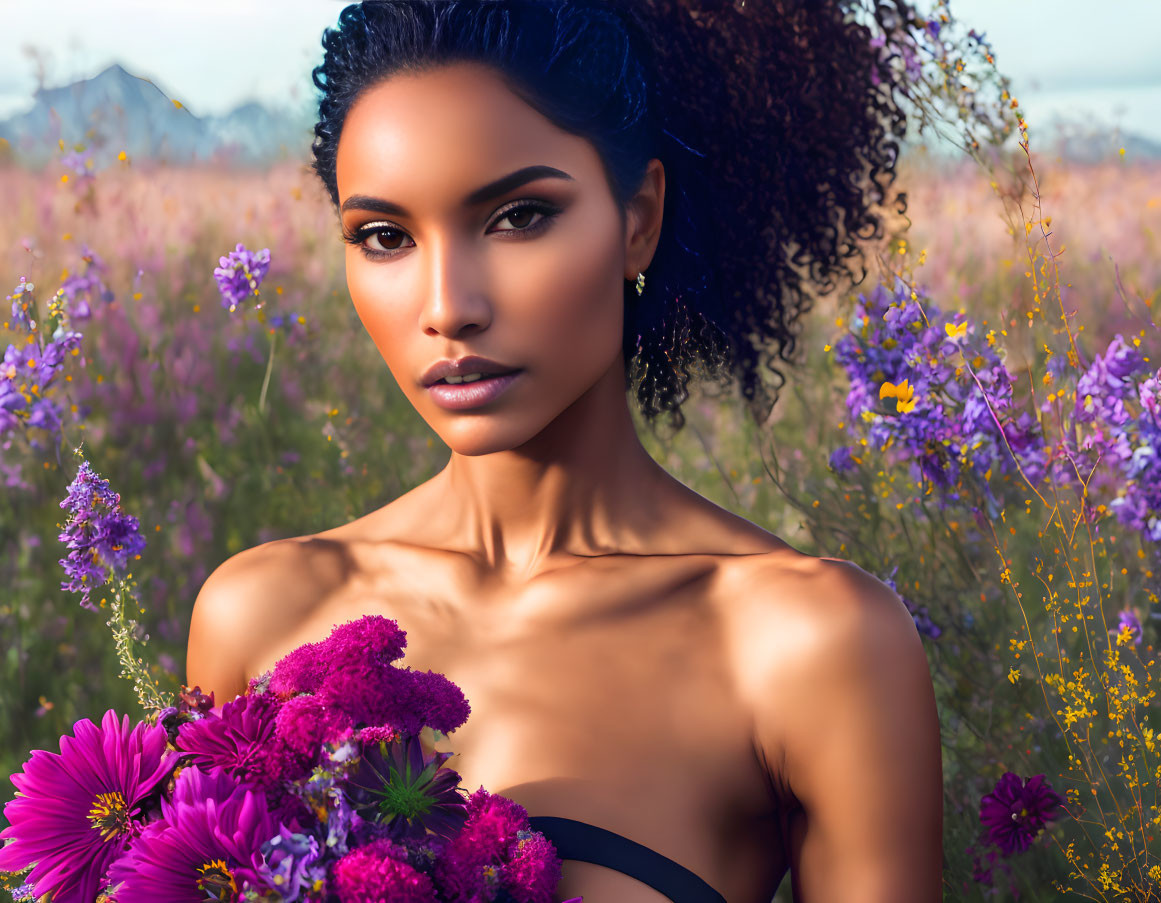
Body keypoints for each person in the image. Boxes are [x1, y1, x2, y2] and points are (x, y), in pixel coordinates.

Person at [187, 1, 943, 900]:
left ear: (638, 220)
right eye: (384, 237)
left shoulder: (802, 642)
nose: (447, 305)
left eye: (517, 216)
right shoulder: (259, 618)